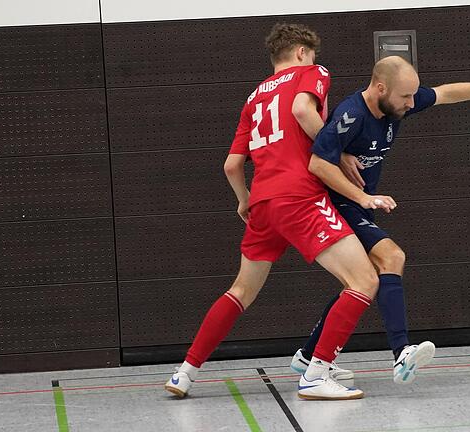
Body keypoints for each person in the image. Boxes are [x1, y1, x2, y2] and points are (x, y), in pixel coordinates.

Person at [165, 23, 396, 401]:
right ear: (302, 52)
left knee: (240, 291)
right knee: (365, 281)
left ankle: (184, 373)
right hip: (299, 197)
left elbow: (231, 165)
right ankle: (316, 373)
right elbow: (303, 109)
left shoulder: (253, 98)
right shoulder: (312, 73)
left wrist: (244, 200)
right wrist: (336, 150)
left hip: (263, 203)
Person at [290, 56, 470, 384]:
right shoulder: (350, 115)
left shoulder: (398, 103)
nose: (411, 103)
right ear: (380, 88)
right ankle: (401, 353)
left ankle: (309, 355)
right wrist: (364, 197)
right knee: (392, 256)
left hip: (357, 206)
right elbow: (318, 165)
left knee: (357, 284)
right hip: (335, 206)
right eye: (405, 97)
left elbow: (446, 93)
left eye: (413, 96)